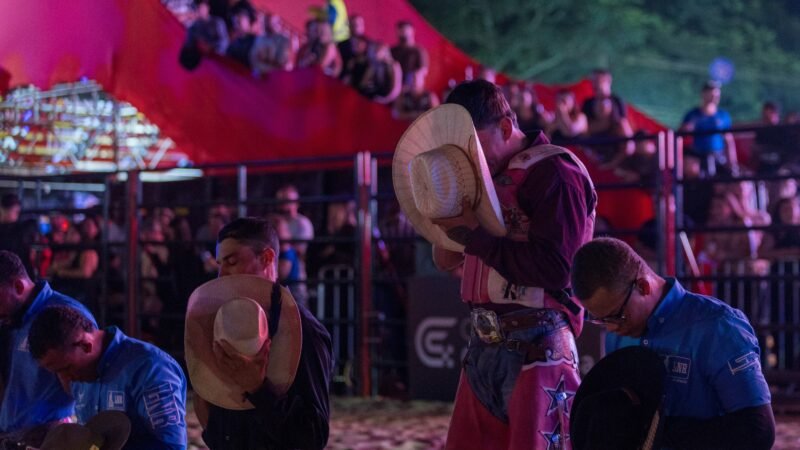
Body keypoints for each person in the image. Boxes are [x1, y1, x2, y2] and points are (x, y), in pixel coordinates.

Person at [434, 80, 597, 449]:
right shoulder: (484, 179)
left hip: (539, 344)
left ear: (506, 127)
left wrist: (474, 235)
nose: (469, 159)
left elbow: (559, 269)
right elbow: (445, 258)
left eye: (473, 146)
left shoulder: (557, 173)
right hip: (483, 345)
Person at [570, 237, 775, 450]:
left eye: (616, 316)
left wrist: (660, 435)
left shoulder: (717, 327)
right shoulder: (618, 332)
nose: (610, 328)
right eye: (600, 320)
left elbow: (758, 430)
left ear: (643, 286)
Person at [193, 217, 332, 449]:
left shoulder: (304, 331)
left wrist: (258, 389)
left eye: (232, 261)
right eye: (220, 264)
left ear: (267, 258)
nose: (221, 274)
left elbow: (313, 437)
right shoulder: (223, 323)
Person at [28, 305, 187, 450]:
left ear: (86, 345)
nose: (67, 378)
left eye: (67, 368)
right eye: (57, 372)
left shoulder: (149, 368)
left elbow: (172, 446)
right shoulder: (80, 375)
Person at [0, 251, 96, 441]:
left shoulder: (66, 316)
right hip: (12, 435)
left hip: (46, 437)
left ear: (18, 286)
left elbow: (88, 390)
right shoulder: (13, 318)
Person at [680, 80, 739, 177]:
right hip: (697, 156)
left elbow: (729, 140)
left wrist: (732, 163)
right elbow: (681, 134)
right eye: (711, 94)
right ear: (703, 94)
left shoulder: (723, 116)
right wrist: (686, 129)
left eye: (716, 95)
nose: (713, 97)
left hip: (718, 157)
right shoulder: (693, 114)